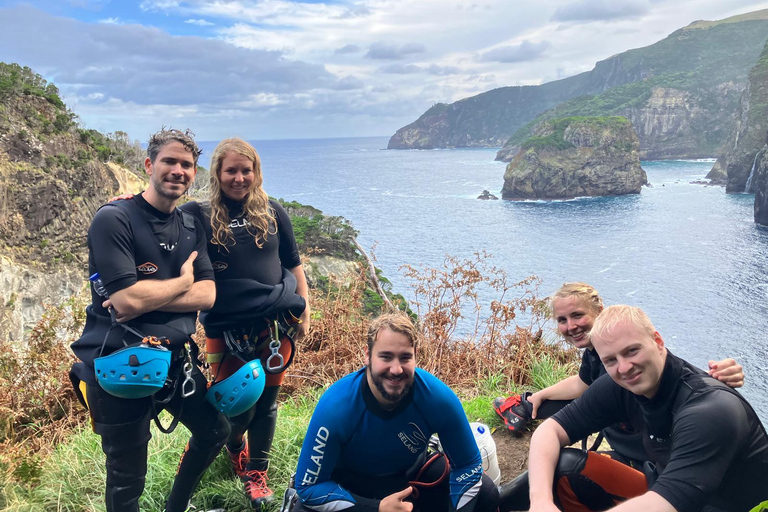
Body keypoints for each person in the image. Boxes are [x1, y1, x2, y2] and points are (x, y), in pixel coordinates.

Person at [69, 128, 230, 512]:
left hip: (175, 361)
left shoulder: (190, 225)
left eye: (186, 164)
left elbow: (208, 295)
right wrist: (183, 283)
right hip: (120, 363)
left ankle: (176, 506)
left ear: (194, 173)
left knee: (214, 431)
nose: (178, 170)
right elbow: (126, 300)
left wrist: (148, 297)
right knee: (128, 480)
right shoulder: (114, 218)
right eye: (169, 161)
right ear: (148, 165)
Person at [494, 283, 744, 510]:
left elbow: (666, 501)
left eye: (632, 351)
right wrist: (541, 502)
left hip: (697, 496)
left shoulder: (708, 411)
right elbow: (562, 414)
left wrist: (714, 381)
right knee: (565, 467)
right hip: (653, 473)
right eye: (611, 360)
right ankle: (492, 502)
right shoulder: (611, 377)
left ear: (658, 341)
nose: (624, 367)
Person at [180, 138, 309, 510]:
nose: (239, 178)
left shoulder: (272, 211)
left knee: (266, 404)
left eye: (246, 170)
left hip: (275, 326)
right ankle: (233, 443)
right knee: (235, 405)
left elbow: (293, 263)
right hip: (225, 327)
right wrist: (128, 205)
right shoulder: (197, 213)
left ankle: (257, 473)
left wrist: (305, 310)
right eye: (231, 170)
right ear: (217, 173)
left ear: (256, 172)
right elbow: (157, 218)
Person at [292, 312, 499, 512]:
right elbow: (308, 487)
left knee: (486, 492)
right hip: (349, 489)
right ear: (367, 356)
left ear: (415, 357)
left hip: (409, 479)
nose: (396, 369)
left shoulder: (437, 399)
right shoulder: (337, 406)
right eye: (386, 357)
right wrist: (376, 508)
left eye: (405, 358)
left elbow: (468, 465)